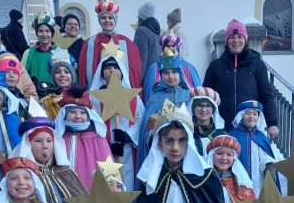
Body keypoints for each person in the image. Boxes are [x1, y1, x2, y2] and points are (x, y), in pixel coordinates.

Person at [203, 19, 278, 133]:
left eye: (240, 37)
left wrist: (272, 123)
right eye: (232, 37)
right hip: (223, 128)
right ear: (227, 40)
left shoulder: (257, 64)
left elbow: (266, 95)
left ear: (245, 39)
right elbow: (207, 97)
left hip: (250, 128)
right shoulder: (216, 66)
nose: (236, 40)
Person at [9, 117, 87, 203]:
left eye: (49, 141)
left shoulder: (65, 172)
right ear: (27, 145)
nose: (45, 146)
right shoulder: (22, 175)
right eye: (38, 141)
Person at [89, 50, 144, 191]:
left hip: (127, 151)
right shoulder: (93, 99)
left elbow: (140, 121)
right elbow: (91, 123)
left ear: (122, 71)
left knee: (128, 185)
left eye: (115, 67)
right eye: (107, 68)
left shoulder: (133, 98)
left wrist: (127, 136)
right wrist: (106, 144)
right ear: (101, 73)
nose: (112, 70)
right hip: (103, 151)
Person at [135, 46, 192, 174]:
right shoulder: (154, 100)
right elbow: (145, 131)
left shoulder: (189, 96)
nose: (171, 76)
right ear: (160, 76)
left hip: (186, 151)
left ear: (180, 74)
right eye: (166, 73)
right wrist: (151, 134)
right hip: (162, 154)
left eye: (174, 72)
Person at [78, 0, 142, 89]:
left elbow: (134, 72)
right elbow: (83, 71)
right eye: (103, 17)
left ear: (115, 20)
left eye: (110, 18)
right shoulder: (90, 43)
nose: (107, 20)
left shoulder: (127, 43)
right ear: (99, 20)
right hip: (97, 94)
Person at [54, 96, 113, 191]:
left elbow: (108, 168)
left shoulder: (97, 139)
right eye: (72, 112)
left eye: (82, 113)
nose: (78, 116)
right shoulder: (59, 138)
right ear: (64, 114)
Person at [228, 100, 283, 195]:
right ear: (241, 116)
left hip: (258, 182)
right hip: (238, 180)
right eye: (247, 113)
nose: (251, 117)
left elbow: (265, 158)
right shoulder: (233, 136)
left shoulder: (261, 137)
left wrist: (268, 166)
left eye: (254, 114)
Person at [142, 33, 202, 102]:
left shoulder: (188, 67)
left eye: (173, 46)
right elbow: (148, 91)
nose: (170, 48)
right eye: (168, 46)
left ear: (177, 47)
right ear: (163, 47)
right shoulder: (154, 68)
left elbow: (198, 90)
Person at [206, 135, 256, 203]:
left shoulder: (241, 182)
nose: (224, 158)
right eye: (219, 153)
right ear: (212, 155)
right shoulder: (204, 180)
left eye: (229, 155)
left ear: (234, 158)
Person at [21, 13, 60, 85]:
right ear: (37, 33)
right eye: (40, 31)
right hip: (35, 93)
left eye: (47, 31)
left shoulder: (59, 52)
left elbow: (68, 74)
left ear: (52, 33)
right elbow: (22, 75)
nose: (44, 34)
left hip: (57, 93)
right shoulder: (29, 53)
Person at [40, 50, 79, 119]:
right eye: (57, 72)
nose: (62, 75)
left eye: (67, 72)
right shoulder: (45, 102)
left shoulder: (83, 97)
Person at [188, 86, 225, 157]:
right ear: (193, 108)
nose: (204, 110)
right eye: (199, 105)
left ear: (213, 110)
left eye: (208, 106)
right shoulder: (187, 132)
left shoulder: (221, 134)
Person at [133, 1, 161, 82]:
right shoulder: (157, 33)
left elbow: (140, 58)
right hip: (157, 77)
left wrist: (137, 81)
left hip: (146, 79)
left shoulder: (142, 31)